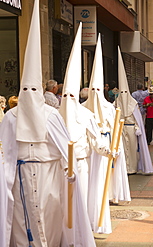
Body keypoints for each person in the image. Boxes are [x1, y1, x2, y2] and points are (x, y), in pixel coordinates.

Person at [0, 1, 95, 245]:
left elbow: (65, 146)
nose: (30, 94)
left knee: (49, 217)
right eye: (26, 90)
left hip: (48, 173)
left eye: (34, 89)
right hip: (20, 174)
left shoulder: (51, 115)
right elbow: (6, 150)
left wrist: (69, 170)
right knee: (22, 223)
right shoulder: (11, 116)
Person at [82, 35, 131, 234]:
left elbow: (115, 126)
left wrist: (115, 147)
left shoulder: (110, 108)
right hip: (88, 149)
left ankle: (111, 195)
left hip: (107, 142)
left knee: (106, 174)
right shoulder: (82, 108)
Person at [59, 24, 110, 207]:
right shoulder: (54, 116)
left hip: (81, 164)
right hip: (59, 168)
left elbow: (95, 138)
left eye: (71, 96)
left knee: (80, 202)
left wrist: (107, 150)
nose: (68, 99)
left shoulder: (86, 115)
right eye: (65, 96)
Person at [115, 46, 153, 175]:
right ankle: (123, 167)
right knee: (121, 148)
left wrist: (137, 127)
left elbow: (137, 117)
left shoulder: (133, 103)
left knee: (131, 149)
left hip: (131, 129)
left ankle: (132, 167)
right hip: (120, 129)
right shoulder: (116, 102)